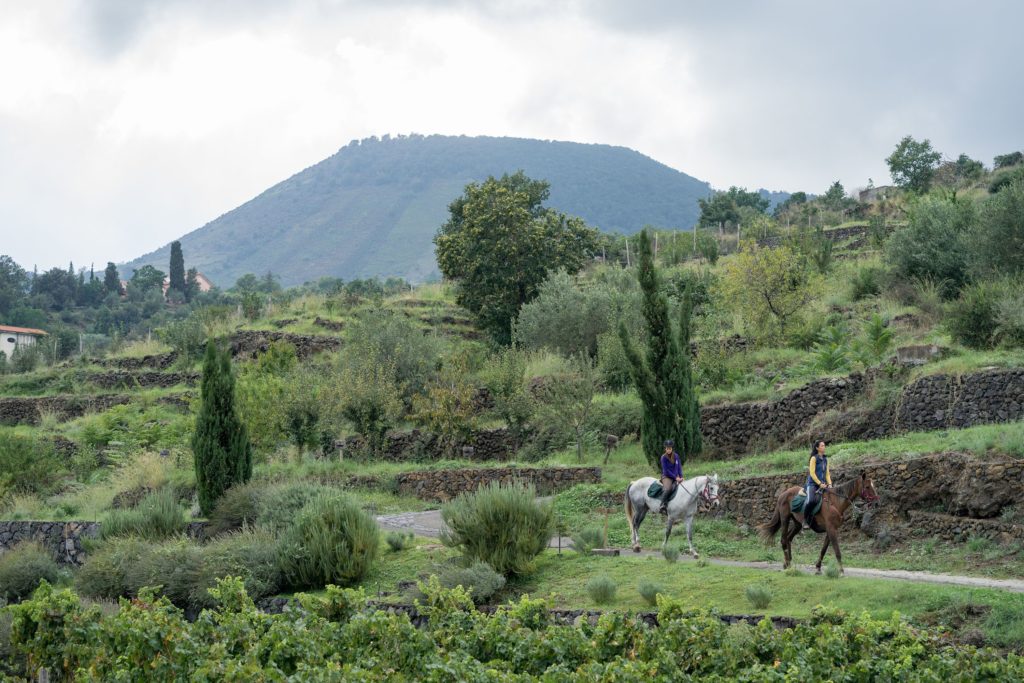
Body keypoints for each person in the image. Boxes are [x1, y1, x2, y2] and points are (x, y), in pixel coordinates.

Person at [803, 439, 832, 529]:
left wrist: (830, 484)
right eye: (822, 446)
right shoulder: (814, 458)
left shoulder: (825, 459)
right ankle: (805, 520)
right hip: (812, 484)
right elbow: (812, 473)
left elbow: (827, 473)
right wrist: (819, 483)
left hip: (823, 484)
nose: (824, 447)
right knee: (811, 500)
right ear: (817, 448)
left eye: (824, 445)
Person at [659, 439, 683, 514]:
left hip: (676, 476)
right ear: (665, 449)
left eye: (670, 448)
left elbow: (679, 467)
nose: (669, 450)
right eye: (667, 448)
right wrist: (676, 478)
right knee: (668, 488)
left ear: (672, 448)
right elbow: (666, 471)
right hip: (666, 476)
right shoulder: (663, 457)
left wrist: (681, 476)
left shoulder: (676, 456)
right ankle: (662, 505)